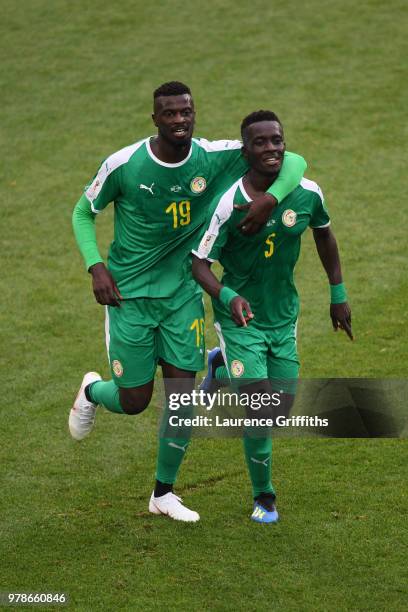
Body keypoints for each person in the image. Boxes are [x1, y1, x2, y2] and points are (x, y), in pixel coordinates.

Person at [70, 83, 307, 522]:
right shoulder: (125, 164)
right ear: (155, 119)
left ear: (194, 114)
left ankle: (163, 493)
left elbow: (291, 159)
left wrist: (271, 198)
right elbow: (83, 212)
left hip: (182, 295)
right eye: (170, 113)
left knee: (180, 398)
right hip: (129, 296)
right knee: (136, 398)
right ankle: (92, 391)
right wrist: (95, 265)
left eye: (186, 112)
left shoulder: (213, 155)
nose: (180, 120)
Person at [192, 110, 352, 523]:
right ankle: (264, 496)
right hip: (239, 321)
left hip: (283, 318)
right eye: (260, 143)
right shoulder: (228, 205)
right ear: (245, 152)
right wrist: (229, 297)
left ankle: (220, 367)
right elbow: (199, 264)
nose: (271, 149)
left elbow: (324, 234)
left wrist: (338, 294)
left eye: (277, 140)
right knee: (262, 413)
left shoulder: (307, 192)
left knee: (279, 411)